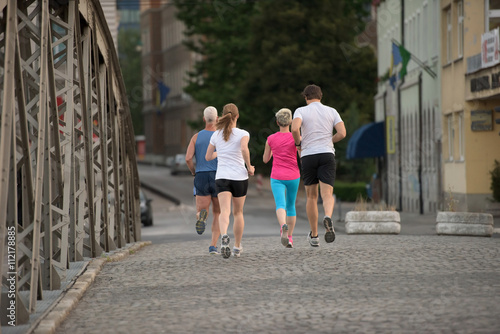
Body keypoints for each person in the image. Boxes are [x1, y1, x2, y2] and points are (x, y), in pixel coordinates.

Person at [291, 84, 346, 247]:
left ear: (306, 97)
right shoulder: (332, 111)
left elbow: (294, 128)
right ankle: (327, 216)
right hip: (327, 154)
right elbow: (342, 133)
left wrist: (298, 143)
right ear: (320, 96)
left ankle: (314, 235)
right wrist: (329, 140)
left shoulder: (301, 111)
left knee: (312, 197)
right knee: (327, 194)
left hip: (308, 155)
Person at [206, 103, 255, 259]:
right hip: (239, 177)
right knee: (238, 212)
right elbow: (244, 149)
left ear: (223, 115)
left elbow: (207, 157)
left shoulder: (216, 134)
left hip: (222, 177)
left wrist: (219, 153)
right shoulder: (243, 133)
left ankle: (224, 236)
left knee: (224, 211)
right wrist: (250, 166)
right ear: (237, 116)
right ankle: (237, 246)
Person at [185, 106, 221, 254]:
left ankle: (201, 217)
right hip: (219, 176)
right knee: (218, 213)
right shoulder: (221, 136)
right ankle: (213, 245)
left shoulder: (196, 137)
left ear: (204, 119)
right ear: (217, 119)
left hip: (201, 175)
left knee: (201, 209)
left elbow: (188, 158)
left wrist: (194, 171)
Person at [263, 108, 300, 248]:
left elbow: (265, 159)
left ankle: (283, 225)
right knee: (291, 206)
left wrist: (273, 150)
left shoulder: (271, 139)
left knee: (280, 204)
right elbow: (302, 155)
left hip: (277, 176)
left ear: (277, 122)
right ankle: (289, 237)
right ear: (290, 121)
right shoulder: (296, 138)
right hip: (293, 176)